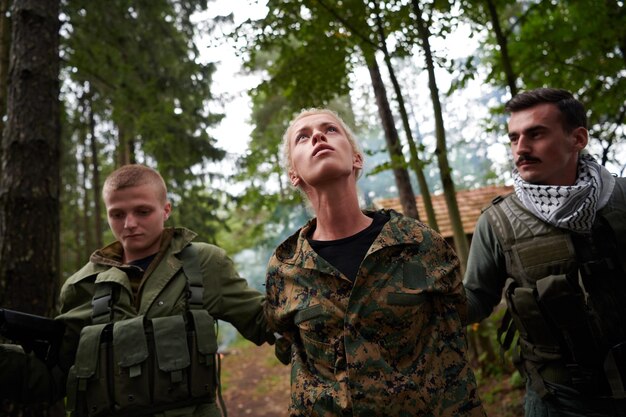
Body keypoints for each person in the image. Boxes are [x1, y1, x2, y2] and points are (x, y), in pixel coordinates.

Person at [0, 164, 275, 417]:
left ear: (165, 210)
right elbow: (54, 378)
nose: (129, 224)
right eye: (117, 214)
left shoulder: (202, 264)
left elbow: (266, 322)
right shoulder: (82, 285)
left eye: (142, 211)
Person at [265, 108, 485, 417]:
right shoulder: (285, 268)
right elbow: (291, 346)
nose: (317, 136)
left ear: (356, 158)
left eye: (330, 130)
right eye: (303, 137)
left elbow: (454, 343)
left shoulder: (420, 244)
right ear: (293, 175)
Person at [464, 87, 626, 416]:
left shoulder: (622, 198)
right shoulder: (496, 223)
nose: (521, 148)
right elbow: (474, 302)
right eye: (513, 138)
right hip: (560, 402)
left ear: (577, 139)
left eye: (535, 134)